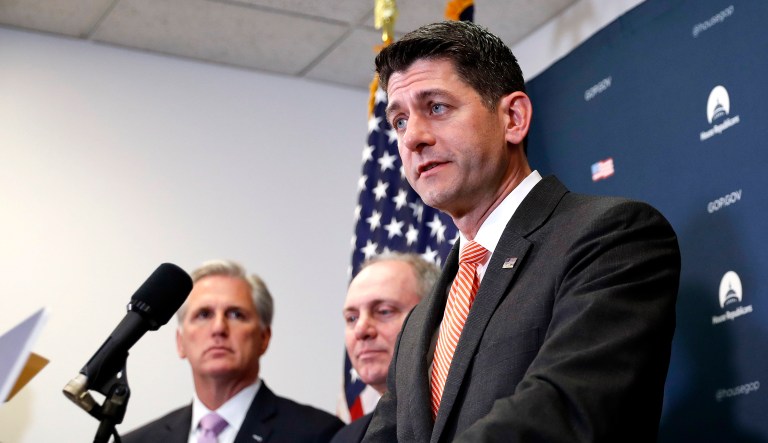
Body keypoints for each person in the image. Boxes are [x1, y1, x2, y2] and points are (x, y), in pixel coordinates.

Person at [362, 21, 681, 443]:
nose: (413, 138)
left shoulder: (611, 237)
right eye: (400, 121)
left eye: (436, 107)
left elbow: (566, 409)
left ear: (513, 118)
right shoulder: (420, 321)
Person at [122, 259, 343, 443]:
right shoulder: (136, 441)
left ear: (264, 338)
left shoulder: (321, 435)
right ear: (180, 342)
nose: (219, 328)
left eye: (236, 314)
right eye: (204, 314)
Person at [332, 253, 440, 443]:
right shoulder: (344, 438)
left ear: (436, 316)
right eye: (352, 318)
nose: (361, 330)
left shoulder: (471, 419)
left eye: (384, 311)